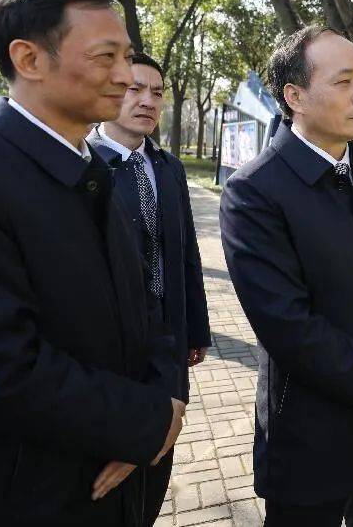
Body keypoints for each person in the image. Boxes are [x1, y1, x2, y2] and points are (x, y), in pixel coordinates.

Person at [0, 0, 185, 526]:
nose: (125, 76)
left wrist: (169, 400)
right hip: (18, 494)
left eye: (127, 56)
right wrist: (143, 421)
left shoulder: (95, 171)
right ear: (28, 58)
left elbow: (146, 304)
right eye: (105, 57)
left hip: (113, 484)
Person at [219, 26, 353, 527]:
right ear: (294, 96)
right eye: (343, 82)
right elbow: (286, 325)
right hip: (312, 436)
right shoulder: (255, 192)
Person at [87, 50, 212, 526]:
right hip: (110, 346)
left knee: (158, 456)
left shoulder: (168, 167)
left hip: (169, 341)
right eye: (135, 89)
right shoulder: (84, 167)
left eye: (156, 93)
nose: (146, 101)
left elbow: (185, 255)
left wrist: (196, 329)